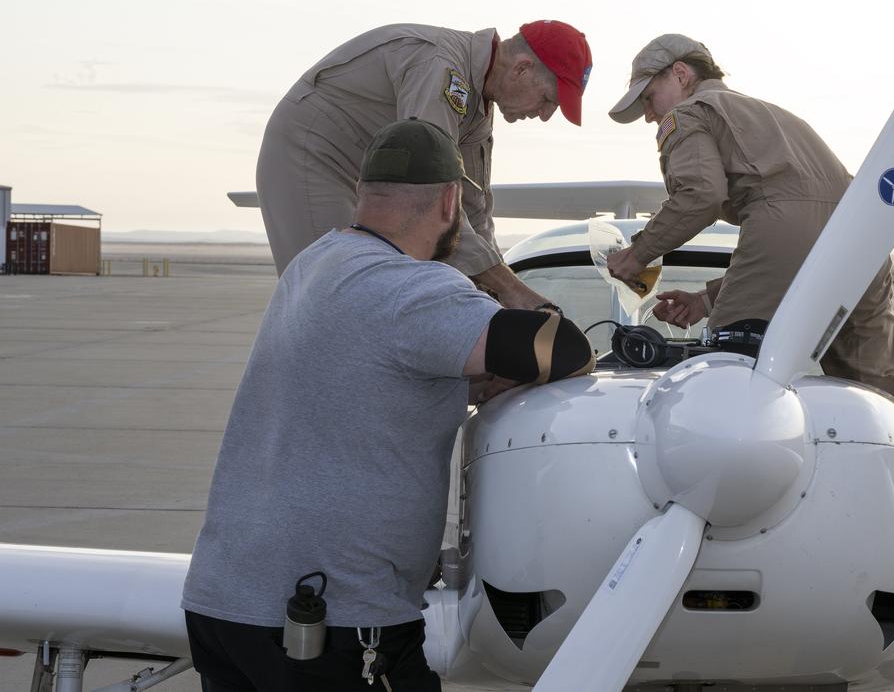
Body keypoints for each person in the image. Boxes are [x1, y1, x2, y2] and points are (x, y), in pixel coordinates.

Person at [183, 119, 595, 691]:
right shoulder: (414, 289)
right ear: (451, 200)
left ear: (363, 192)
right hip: (331, 617)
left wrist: (461, 383)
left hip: (226, 600)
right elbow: (564, 347)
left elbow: (362, 375)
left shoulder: (316, 263)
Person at [604, 34, 894, 578]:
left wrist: (636, 254)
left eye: (648, 97)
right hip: (863, 235)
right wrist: (710, 298)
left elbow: (701, 196)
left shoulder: (690, 116)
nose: (647, 116)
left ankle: (711, 546)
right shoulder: (772, 115)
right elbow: (806, 229)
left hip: (793, 235)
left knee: (728, 379)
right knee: (891, 393)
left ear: (680, 76)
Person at [255, 19, 592, 314]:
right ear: (521, 69)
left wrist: (498, 298)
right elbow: (428, 197)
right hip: (314, 156)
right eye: (549, 100)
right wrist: (512, 291)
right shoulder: (440, 67)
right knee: (335, 299)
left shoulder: (478, 107)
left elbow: (471, 210)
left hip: (375, 186)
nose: (546, 115)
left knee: (388, 303)